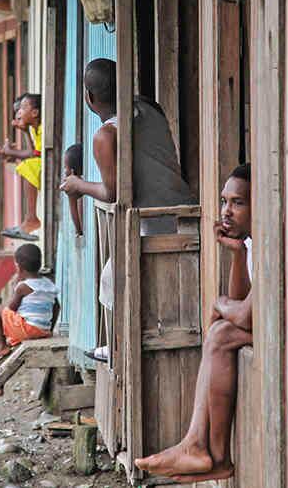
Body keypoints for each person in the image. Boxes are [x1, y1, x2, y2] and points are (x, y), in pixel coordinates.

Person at [60, 58, 196, 361]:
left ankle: (119, 346)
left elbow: (113, 193)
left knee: (113, 280)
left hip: (153, 219)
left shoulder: (105, 136)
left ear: (89, 98)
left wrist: (78, 185)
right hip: (184, 207)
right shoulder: (150, 107)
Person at [134, 164, 252, 482]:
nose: (226, 212)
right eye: (225, 201)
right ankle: (201, 448)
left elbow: (247, 315)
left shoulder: (273, 243)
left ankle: (206, 451)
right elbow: (241, 300)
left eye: (238, 203)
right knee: (219, 332)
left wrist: (218, 304)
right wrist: (237, 253)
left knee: (222, 332)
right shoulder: (252, 243)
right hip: (258, 328)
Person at [0, 243, 58, 362]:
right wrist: (49, 329)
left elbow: (11, 309)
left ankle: (1, 346)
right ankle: (19, 336)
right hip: (43, 331)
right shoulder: (49, 283)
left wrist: (15, 285)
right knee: (20, 319)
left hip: (28, 330)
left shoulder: (23, 287)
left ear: (19, 268)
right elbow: (56, 306)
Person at [0, 94, 43, 241]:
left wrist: (11, 152)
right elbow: (33, 153)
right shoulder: (35, 130)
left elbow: (33, 155)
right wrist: (24, 132)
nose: (18, 114)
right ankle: (29, 218)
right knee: (26, 165)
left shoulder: (42, 129)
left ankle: (31, 219)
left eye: (22, 109)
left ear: (35, 113)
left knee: (27, 165)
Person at [63, 143, 84, 237]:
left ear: (71, 171)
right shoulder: (86, 184)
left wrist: (71, 197)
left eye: (65, 167)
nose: (64, 171)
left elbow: (79, 229)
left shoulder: (81, 189)